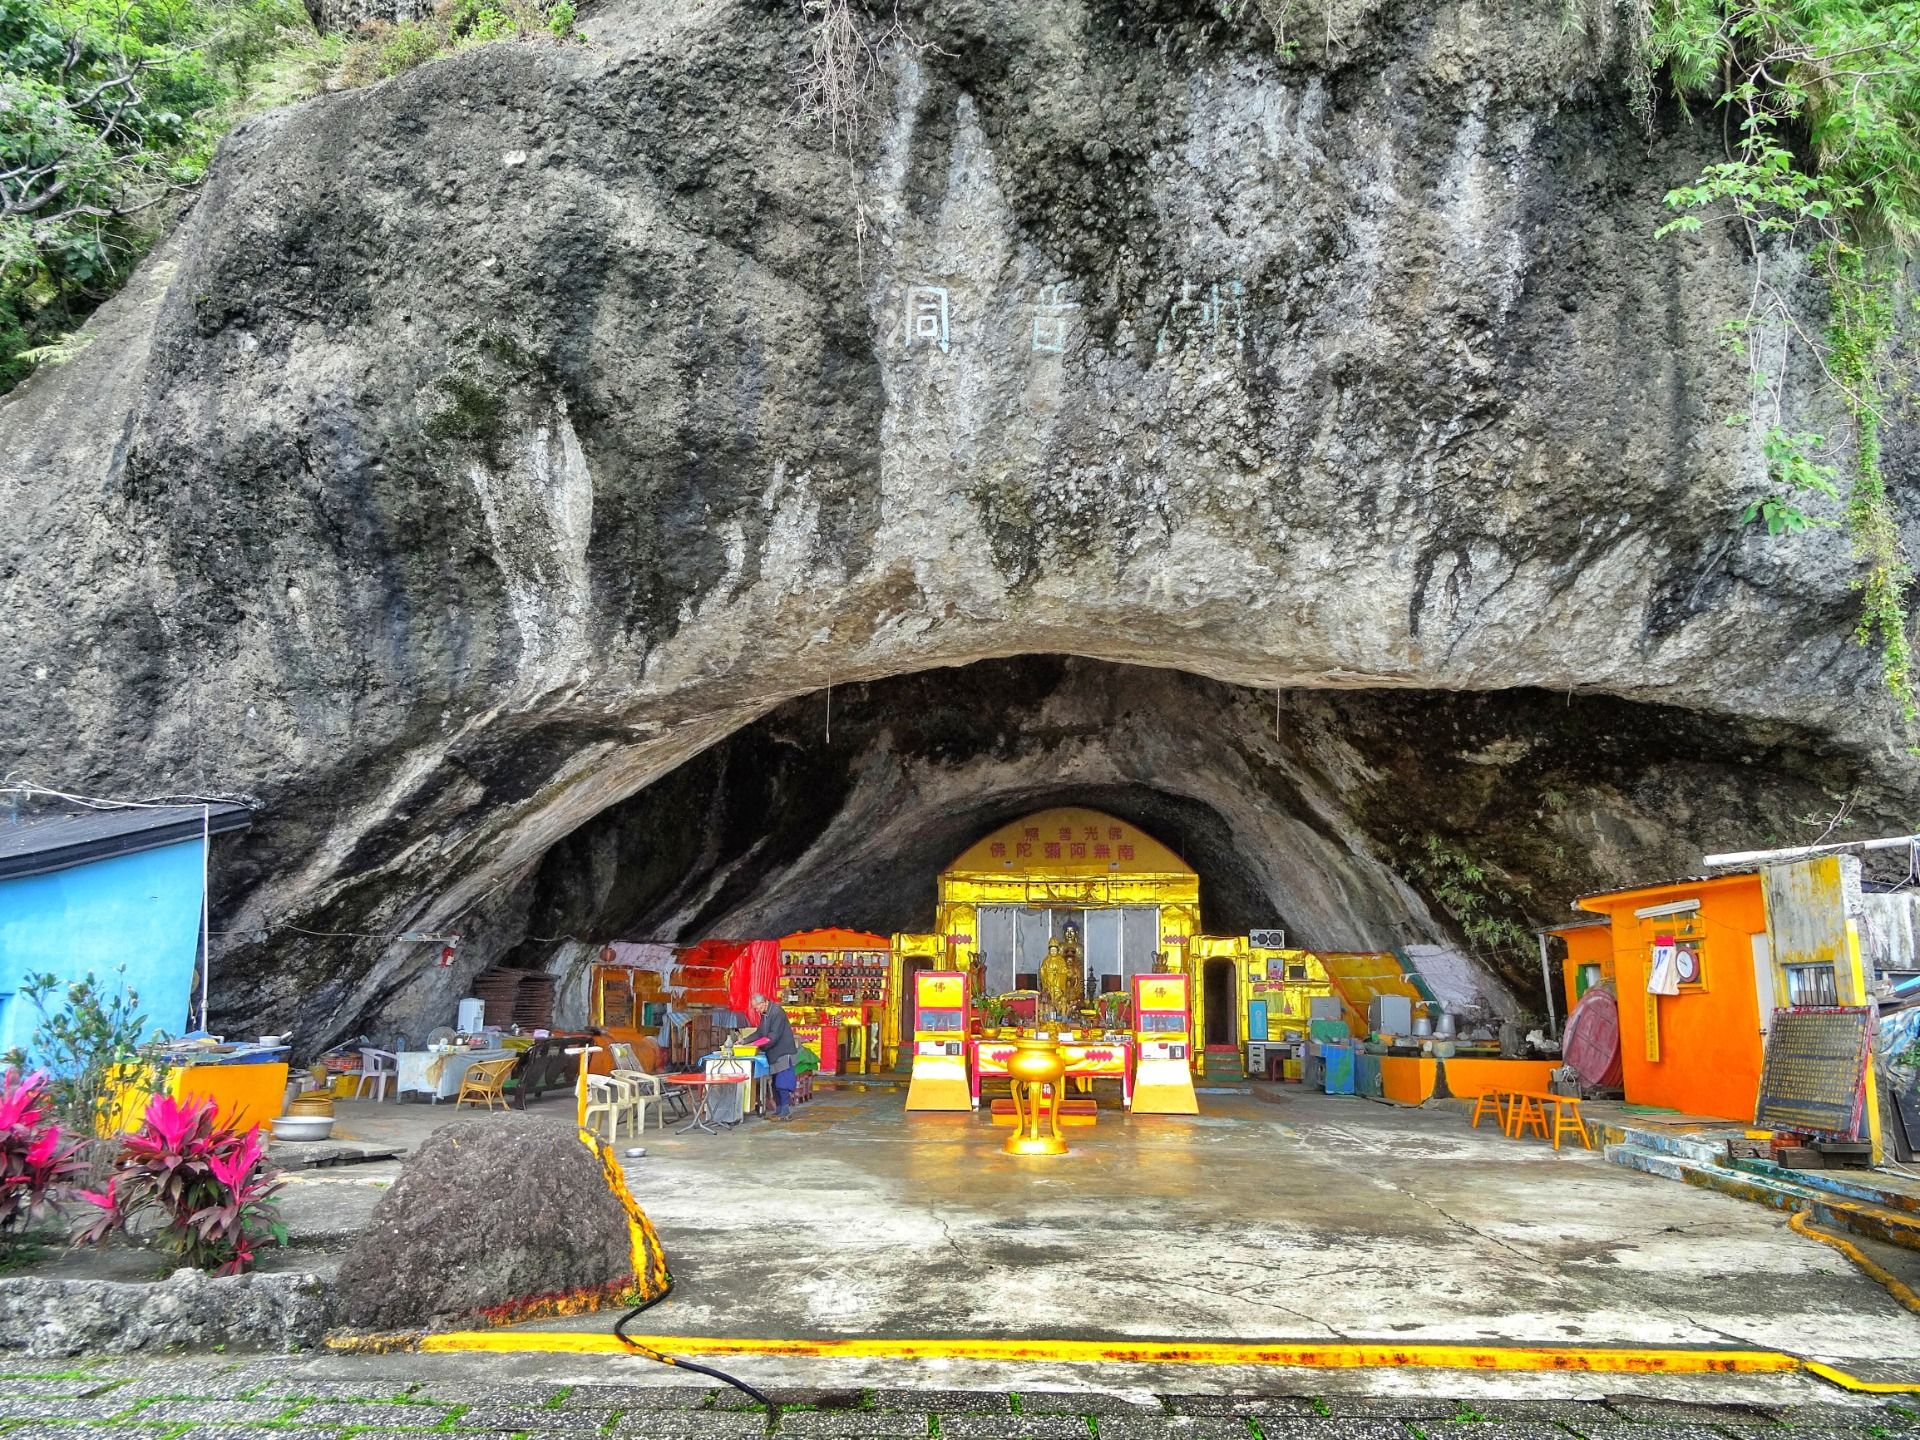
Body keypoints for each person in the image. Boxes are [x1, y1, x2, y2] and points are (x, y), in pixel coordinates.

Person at [744, 992, 799, 1121]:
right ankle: (779, 1109)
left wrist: (757, 1045)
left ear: (764, 1002)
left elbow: (773, 1036)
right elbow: (760, 1032)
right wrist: (745, 1041)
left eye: (757, 1007)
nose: (756, 1010)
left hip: (783, 1052)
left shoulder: (776, 1012)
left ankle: (785, 1110)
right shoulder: (765, 1014)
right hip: (773, 1053)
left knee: (782, 1082)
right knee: (774, 1084)